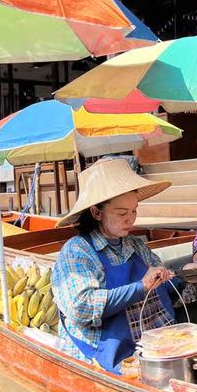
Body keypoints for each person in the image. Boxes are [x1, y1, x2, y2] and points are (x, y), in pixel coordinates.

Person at [51, 159, 176, 373]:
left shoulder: (135, 245)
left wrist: (175, 276)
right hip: (102, 357)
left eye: (134, 211)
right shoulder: (78, 251)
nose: (131, 220)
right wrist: (140, 287)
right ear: (96, 212)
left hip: (147, 346)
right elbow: (81, 306)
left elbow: (161, 282)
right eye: (121, 213)